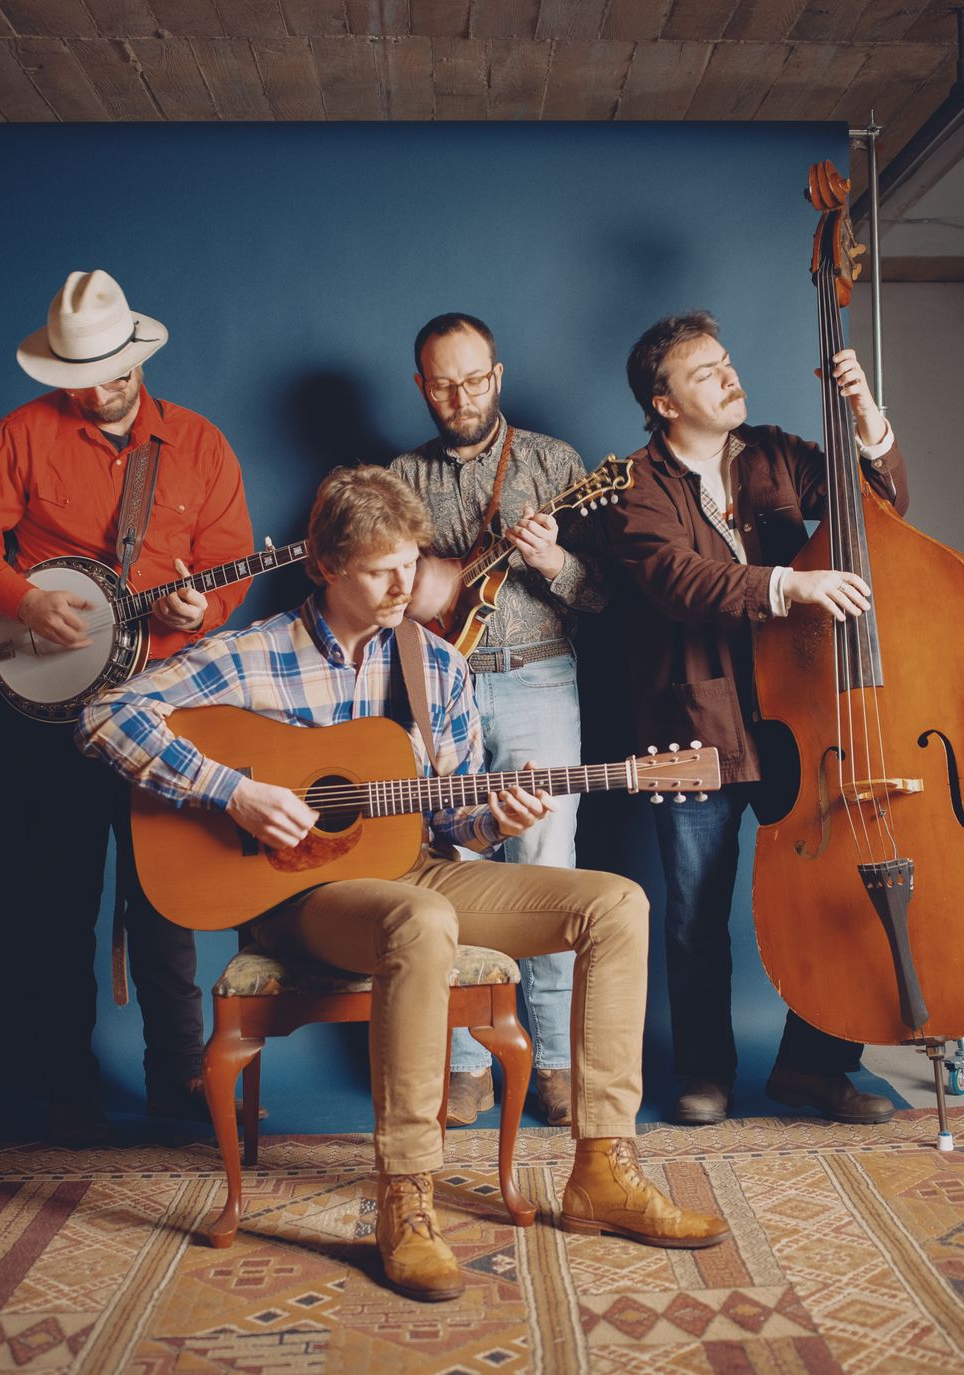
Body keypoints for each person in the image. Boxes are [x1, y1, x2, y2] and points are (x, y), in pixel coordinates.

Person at [79, 465, 727, 1302]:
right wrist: (233, 792)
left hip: (410, 871)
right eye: (380, 569)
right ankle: (407, 1197)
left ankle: (603, 1168)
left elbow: (454, 819)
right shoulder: (256, 653)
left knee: (617, 903)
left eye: (410, 564)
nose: (401, 585)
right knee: (420, 919)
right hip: (298, 900)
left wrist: (500, 816)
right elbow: (106, 715)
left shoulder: (435, 665)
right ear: (325, 565)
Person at [0, 269, 255, 1143]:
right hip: (53, 707)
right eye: (79, 376)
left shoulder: (199, 444)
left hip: (163, 702)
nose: (97, 389)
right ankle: (65, 1082)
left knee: (168, 900)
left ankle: (177, 1076)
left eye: (111, 372)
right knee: (56, 899)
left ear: (138, 359)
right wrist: (15, 595)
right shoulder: (22, 435)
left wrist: (203, 607)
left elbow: (224, 563)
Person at [603, 309, 905, 1127]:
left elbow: (880, 507)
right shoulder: (631, 487)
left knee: (830, 890)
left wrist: (866, 419)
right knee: (698, 913)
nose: (729, 377)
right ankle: (705, 1073)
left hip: (800, 720)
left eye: (728, 362)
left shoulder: (773, 451)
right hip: (693, 726)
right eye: (706, 372)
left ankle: (814, 1065)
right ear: (664, 402)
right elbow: (678, 582)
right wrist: (791, 584)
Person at [391, 313, 610, 1130]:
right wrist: (422, 586)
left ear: (499, 374)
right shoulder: (397, 476)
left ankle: (552, 1058)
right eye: (443, 382)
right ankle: (465, 1062)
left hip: (538, 675)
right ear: (421, 385)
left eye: (475, 378)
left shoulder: (557, 465)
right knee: (446, 864)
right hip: (432, 682)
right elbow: (380, 594)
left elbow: (602, 595)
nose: (461, 395)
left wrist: (552, 560)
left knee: (546, 863)